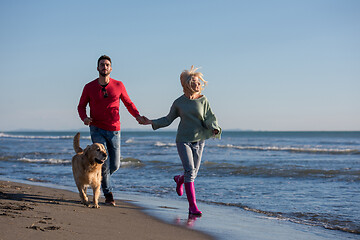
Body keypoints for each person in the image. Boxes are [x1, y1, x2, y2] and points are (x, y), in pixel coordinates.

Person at [143, 66, 221, 215]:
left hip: (199, 140)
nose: (198, 85)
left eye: (199, 82)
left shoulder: (203, 100)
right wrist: (151, 122)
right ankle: (193, 207)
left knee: (193, 173)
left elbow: (210, 117)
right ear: (186, 84)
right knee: (190, 171)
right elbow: (167, 119)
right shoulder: (179, 102)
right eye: (194, 82)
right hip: (183, 140)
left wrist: (214, 127)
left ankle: (180, 179)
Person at [77, 55, 146, 206]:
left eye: (107, 65)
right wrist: (85, 118)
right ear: (97, 68)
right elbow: (81, 106)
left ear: (111, 68)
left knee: (114, 165)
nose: (104, 67)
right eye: (102, 64)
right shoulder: (89, 87)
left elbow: (128, 103)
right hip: (96, 129)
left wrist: (138, 116)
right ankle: (108, 194)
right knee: (104, 162)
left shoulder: (118, 85)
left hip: (114, 129)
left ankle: (100, 177)